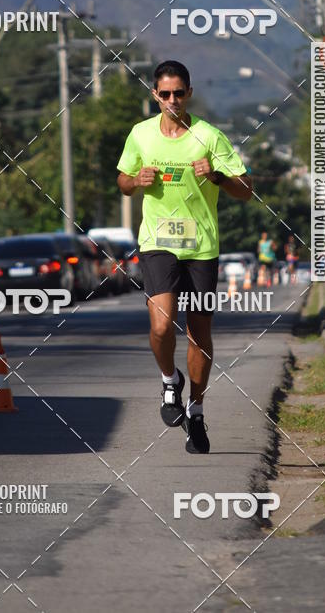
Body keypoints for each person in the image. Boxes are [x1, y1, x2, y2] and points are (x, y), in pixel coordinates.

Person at [116, 60, 252, 454]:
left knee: (198, 333)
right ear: (155, 95)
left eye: (178, 93)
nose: (172, 100)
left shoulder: (209, 136)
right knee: (161, 327)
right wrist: (135, 181)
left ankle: (196, 409)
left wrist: (217, 177)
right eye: (164, 94)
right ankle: (169, 379)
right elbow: (123, 181)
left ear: (188, 93)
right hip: (158, 244)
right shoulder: (141, 134)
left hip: (202, 249)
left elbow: (246, 188)